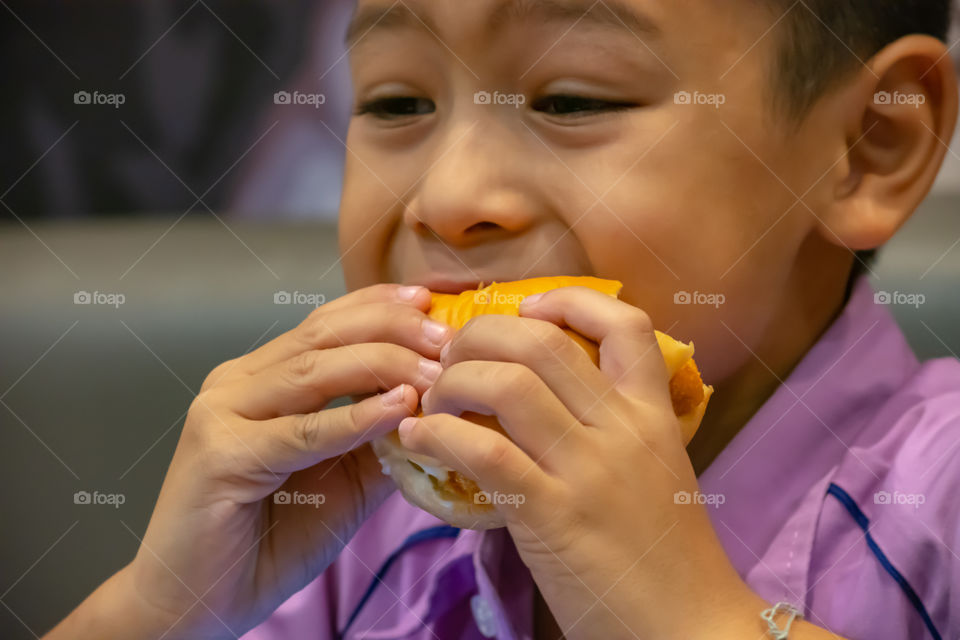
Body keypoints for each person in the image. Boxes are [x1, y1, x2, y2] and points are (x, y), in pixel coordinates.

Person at [43, 1, 960, 638]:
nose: (447, 199)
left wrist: (681, 618)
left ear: (867, 147)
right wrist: (161, 610)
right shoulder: (352, 527)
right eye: (397, 103)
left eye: (573, 100)